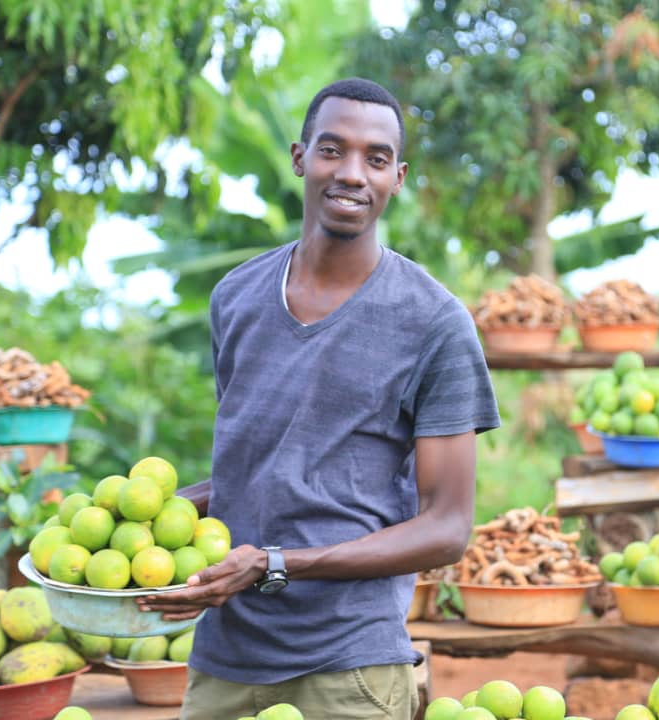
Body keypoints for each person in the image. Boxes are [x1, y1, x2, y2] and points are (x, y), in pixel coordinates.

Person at [137, 77, 501, 720]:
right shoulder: (236, 298)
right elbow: (257, 468)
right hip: (223, 661)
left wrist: (277, 563)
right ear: (301, 157)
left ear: (398, 177)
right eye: (333, 150)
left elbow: (447, 528)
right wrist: (142, 514)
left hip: (347, 670)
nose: (353, 173)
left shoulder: (434, 323)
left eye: (376, 158)